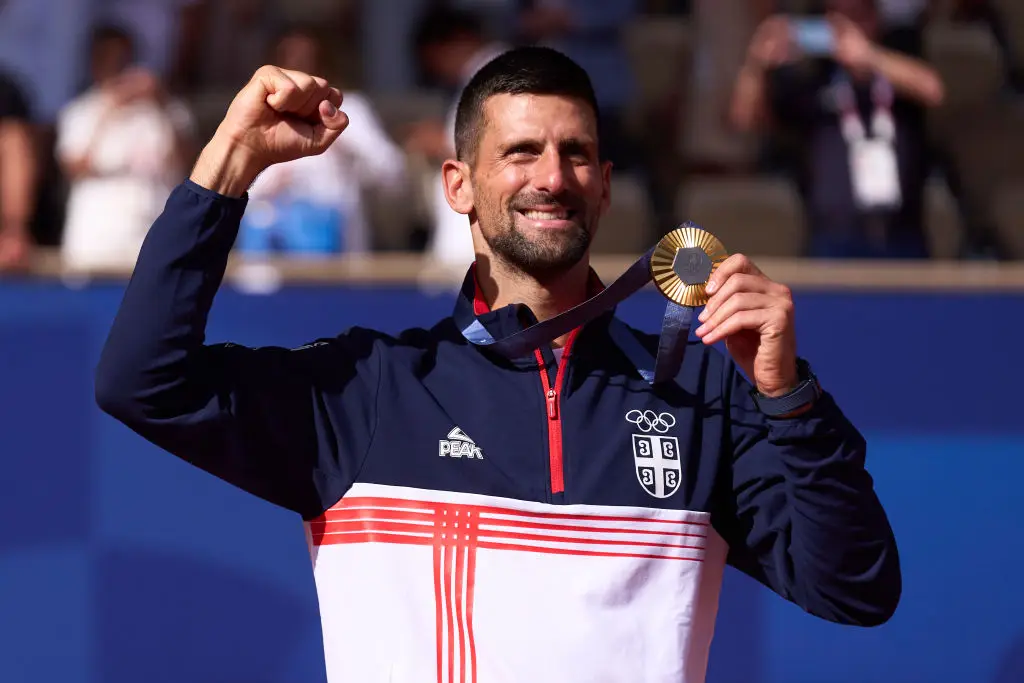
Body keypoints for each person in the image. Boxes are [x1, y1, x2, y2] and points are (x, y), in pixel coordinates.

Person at [95, 47, 901, 683]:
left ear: (605, 186)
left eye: (576, 154)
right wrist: (228, 163)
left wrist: (788, 396)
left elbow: (856, 587)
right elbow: (144, 381)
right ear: (459, 186)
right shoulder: (370, 388)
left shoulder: (698, 394)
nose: (552, 177)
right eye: (521, 152)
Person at [729, 0, 944, 258]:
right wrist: (757, 63)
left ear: (875, 18)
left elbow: (934, 90)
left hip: (902, 233)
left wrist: (869, 56)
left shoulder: (898, 57)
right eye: (838, 19)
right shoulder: (813, 78)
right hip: (831, 238)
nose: (848, 28)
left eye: (857, 16)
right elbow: (744, 120)